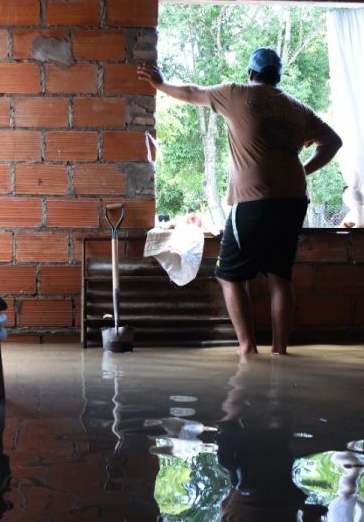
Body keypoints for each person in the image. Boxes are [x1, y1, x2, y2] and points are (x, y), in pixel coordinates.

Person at [137, 48, 343, 355]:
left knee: (229, 275)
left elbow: (192, 93)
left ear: (251, 73)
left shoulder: (237, 93)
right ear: (277, 77)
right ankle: (280, 351)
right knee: (279, 277)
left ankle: (247, 349)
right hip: (293, 201)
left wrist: (160, 84)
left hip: (255, 200)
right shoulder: (297, 108)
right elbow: (333, 142)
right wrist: (303, 169)